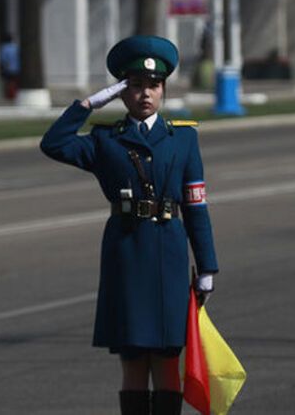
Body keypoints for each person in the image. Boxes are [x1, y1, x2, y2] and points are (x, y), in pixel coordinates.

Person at [40, 35, 218, 415]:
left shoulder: (183, 139)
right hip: (127, 255)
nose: (144, 95)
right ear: (121, 92)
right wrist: (89, 104)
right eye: (134, 86)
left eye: (153, 86)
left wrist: (207, 268)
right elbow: (53, 143)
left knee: (168, 358)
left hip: (170, 254)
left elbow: (196, 206)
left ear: (164, 89)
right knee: (134, 358)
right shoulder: (105, 140)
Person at [0, 32, 20, 100]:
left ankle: (10, 95)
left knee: (9, 83)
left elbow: (3, 59)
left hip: (8, 68)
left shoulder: (4, 48)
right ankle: (15, 94)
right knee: (15, 82)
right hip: (17, 68)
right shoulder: (15, 47)